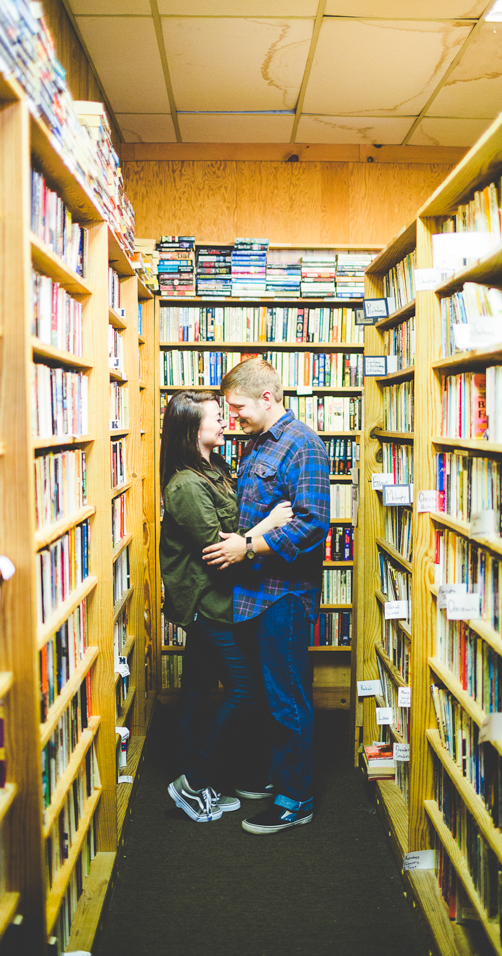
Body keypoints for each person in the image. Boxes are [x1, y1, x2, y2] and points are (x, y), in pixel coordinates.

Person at [203, 357, 331, 834]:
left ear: (267, 397)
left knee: (288, 699)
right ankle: (276, 779)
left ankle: (296, 799)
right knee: (265, 694)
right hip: (253, 595)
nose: (232, 419)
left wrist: (249, 545)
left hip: (284, 597)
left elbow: (315, 525)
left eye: (237, 409)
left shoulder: (303, 446)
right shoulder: (257, 444)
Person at [159, 391, 292, 823]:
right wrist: (269, 525)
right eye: (217, 416)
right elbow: (219, 550)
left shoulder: (213, 468)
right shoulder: (185, 484)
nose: (225, 421)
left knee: (196, 691)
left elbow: (233, 531)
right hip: (207, 603)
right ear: (192, 428)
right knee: (244, 692)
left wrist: (247, 535)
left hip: (218, 601)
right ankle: (193, 783)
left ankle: (197, 780)